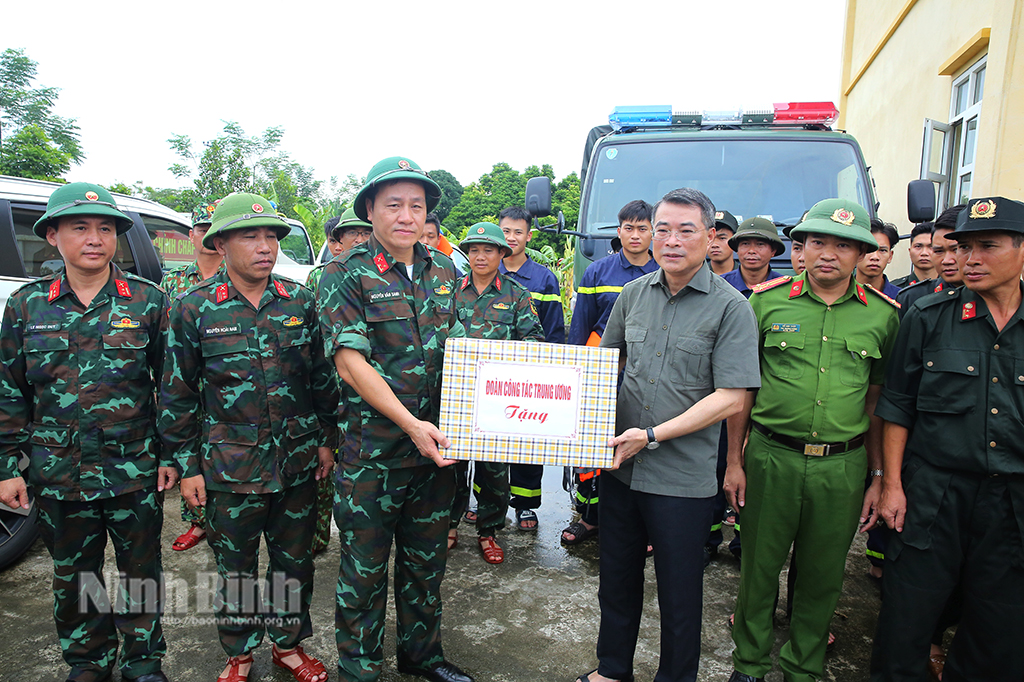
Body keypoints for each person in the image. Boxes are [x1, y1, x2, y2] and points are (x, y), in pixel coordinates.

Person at [576, 188, 760, 682]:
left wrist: (652, 435)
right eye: (663, 229)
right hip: (621, 469)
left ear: (710, 236)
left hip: (681, 479)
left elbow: (731, 397)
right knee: (616, 579)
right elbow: (601, 369)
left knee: (679, 593)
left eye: (686, 231)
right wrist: (568, 429)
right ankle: (613, 668)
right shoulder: (632, 296)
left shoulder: (731, 308)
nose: (671, 241)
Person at [160, 192, 338, 682]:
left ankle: (287, 645)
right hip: (228, 467)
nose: (265, 246)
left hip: (297, 462)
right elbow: (176, 394)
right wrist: (188, 467)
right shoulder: (194, 308)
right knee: (235, 570)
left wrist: (325, 438)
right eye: (250, 236)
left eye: (271, 237)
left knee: (293, 564)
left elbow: (321, 376)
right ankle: (238, 652)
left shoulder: (299, 300)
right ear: (220, 243)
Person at [0, 183, 173, 682]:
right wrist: (8, 466)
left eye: (105, 228)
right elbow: (9, 391)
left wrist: (173, 457)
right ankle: (89, 660)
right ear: (53, 236)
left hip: (133, 466)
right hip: (60, 470)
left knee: (141, 570)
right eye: (79, 227)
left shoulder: (147, 302)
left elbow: (173, 388)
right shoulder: (26, 305)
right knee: (75, 573)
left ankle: (143, 661)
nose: (94, 238)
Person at [724, 198, 900, 682]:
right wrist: (735, 462)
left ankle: (803, 667)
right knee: (758, 570)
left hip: (841, 468)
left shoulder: (884, 317)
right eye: (818, 241)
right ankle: (751, 665)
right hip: (770, 456)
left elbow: (879, 403)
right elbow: (742, 391)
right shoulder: (765, 301)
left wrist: (878, 476)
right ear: (802, 247)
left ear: (863, 253)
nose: (828, 253)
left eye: (844, 245)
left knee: (823, 577)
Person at [317, 156, 472, 682]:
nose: (407, 215)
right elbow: (349, 361)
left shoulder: (447, 270)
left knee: (425, 565)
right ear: (369, 211)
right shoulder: (344, 274)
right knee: (363, 570)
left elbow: (465, 353)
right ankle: (358, 667)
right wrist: (410, 423)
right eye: (393, 205)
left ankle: (422, 656)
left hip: (438, 449)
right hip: (373, 454)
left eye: (417, 205)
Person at [871, 196, 1024, 681]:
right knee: (907, 617)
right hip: (934, 492)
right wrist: (891, 484)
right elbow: (896, 406)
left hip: (1012, 501)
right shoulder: (928, 316)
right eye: (962, 247)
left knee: (1000, 625)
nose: (968, 258)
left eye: (987, 246)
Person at [563, 199, 659, 545]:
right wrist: (575, 373)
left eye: (643, 228)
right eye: (629, 228)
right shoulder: (598, 273)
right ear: (618, 232)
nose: (635, 235)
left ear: (653, 231)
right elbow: (581, 325)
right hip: (601, 375)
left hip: (647, 375)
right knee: (592, 445)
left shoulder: (663, 272)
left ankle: (640, 525)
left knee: (641, 447)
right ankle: (589, 517)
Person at [449, 222, 545, 563]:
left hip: (497, 399)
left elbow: (534, 340)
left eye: (488, 250)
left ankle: (488, 531)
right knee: (450, 464)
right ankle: (449, 524)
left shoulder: (517, 295)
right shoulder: (450, 292)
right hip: (456, 393)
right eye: (473, 250)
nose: (480, 256)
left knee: (494, 469)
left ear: (501, 254)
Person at [707, 217, 785, 564]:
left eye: (761, 245)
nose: (752, 251)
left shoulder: (786, 294)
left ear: (773, 251)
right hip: (720, 396)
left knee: (751, 475)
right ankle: (706, 540)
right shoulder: (718, 288)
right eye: (745, 245)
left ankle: (741, 541)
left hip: (765, 398)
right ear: (735, 249)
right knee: (714, 469)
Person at [305, 209, 373, 555]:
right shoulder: (320, 278)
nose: (360, 239)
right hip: (326, 387)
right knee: (322, 464)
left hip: (364, 392)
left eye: (366, 232)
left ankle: (357, 532)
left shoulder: (382, 278)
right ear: (337, 241)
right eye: (353, 234)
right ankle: (318, 536)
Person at [162, 198, 223, 553]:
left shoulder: (237, 274)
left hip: (222, 385)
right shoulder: (172, 282)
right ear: (192, 234)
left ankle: (223, 519)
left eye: (214, 229)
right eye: (202, 229)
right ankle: (197, 520)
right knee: (190, 452)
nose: (208, 235)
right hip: (184, 380)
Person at [498, 206, 564, 531]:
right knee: (491, 444)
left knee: (527, 442)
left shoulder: (543, 278)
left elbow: (553, 331)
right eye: (506, 231)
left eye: (518, 232)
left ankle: (525, 505)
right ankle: (490, 504)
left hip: (530, 377)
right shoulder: (486, 269)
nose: (511, 238)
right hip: (492, 377)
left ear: (529, 235)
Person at [896, 205, 966, 318]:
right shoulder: (911, 298)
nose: (947, 260)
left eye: (956, 249)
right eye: (939, 251)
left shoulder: (995, 298)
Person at [855, 219, 902, 298]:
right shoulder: (837, 294)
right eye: (868, 250)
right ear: (855, 253)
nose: (875, 257)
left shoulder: (901, 298)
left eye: (882, 250)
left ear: (890, 256)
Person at [890, 222, 936, 288]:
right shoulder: (895, 289)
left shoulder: (951, 287)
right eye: (918, 246)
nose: (924, 253)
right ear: (910, 251)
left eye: (931, 246)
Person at [708, 210, 740, 275]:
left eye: (722, 238)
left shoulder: (747, 277)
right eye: (710, 238)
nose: (714, 245)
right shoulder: (692, 276)